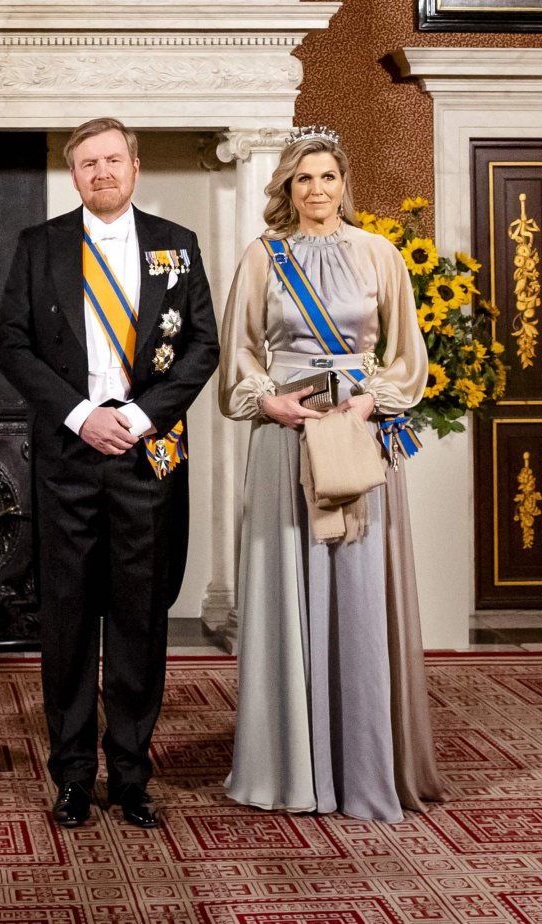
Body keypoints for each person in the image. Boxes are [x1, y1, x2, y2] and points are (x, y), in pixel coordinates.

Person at [0, 118, 219, 828]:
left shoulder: (177, 244)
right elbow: (12, 345)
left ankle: (130, 774)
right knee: (66, 624)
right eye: (88, 162)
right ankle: (71, 775)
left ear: (135, 167)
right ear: (73, 175)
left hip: (145, 455)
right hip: (68, 455)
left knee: (138, 621)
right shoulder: (39, 245)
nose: (102, 172)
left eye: (113, 159)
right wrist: (79, 415)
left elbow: (203, 347)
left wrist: (143, 416)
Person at [218, 127, 446, 821]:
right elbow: (239, 355)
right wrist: (270, 403)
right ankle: (289, 765)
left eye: (327, 177)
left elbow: (408, 354)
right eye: (304, 179)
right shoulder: (262, 256)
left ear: (344, 183)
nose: (317, 189)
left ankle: (362, 764)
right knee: (287, 583)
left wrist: (375, 399)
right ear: (287, 188)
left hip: (357, 432)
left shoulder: (380, 254)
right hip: (287, 436)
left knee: (359, 586)